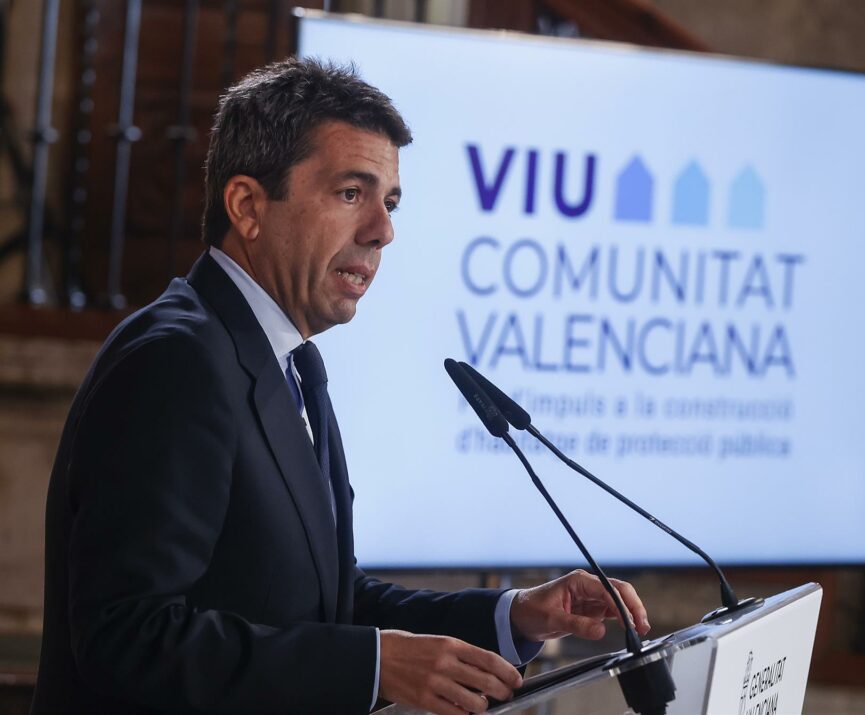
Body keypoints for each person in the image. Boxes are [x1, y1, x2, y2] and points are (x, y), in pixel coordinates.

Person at [31, 58, 650, 714]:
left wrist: (513, 615)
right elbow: (125, 638)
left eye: (390, 203)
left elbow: (324, 603)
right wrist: (374, 665)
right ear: (247, 206)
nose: (383, 231)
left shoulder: (288, 361)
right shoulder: (176, 361)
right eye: (352, 193)